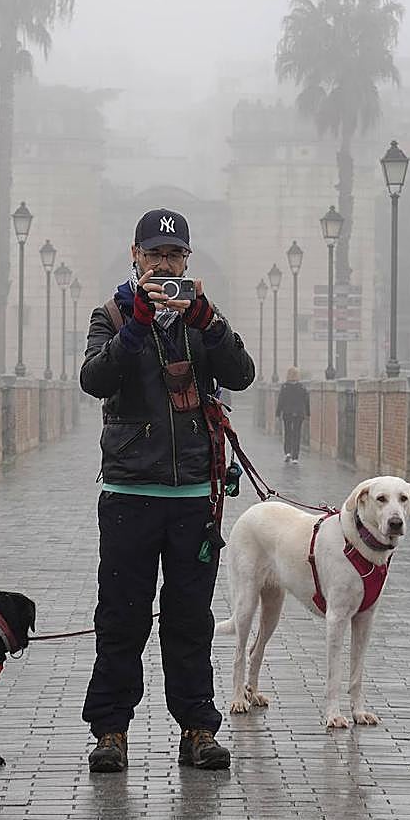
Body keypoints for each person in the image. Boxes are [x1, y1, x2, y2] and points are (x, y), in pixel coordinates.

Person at [78, 208, 255, 773]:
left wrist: (209, 322)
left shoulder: (202, 318)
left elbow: (243, 373)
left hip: (193, 498)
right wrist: (134, 327)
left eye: (174, 255)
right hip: (129, 493)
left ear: (187, 261)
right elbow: (94, 380)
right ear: (135, 256)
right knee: (121, 617)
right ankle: (111, 731)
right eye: (154, 253)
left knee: (190, 621)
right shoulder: (111, 315)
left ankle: (198, 728)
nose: (164, 264)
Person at [275, 366, 309, 463]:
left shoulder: (285, 387)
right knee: (297, 434)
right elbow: (306, 401)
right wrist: (308, 413)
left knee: (288, 432)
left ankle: (288, 452)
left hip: (287, 412)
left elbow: (281, 401)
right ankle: (295, 457)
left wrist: (278, 413)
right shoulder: (302, 387)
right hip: (299, 413)